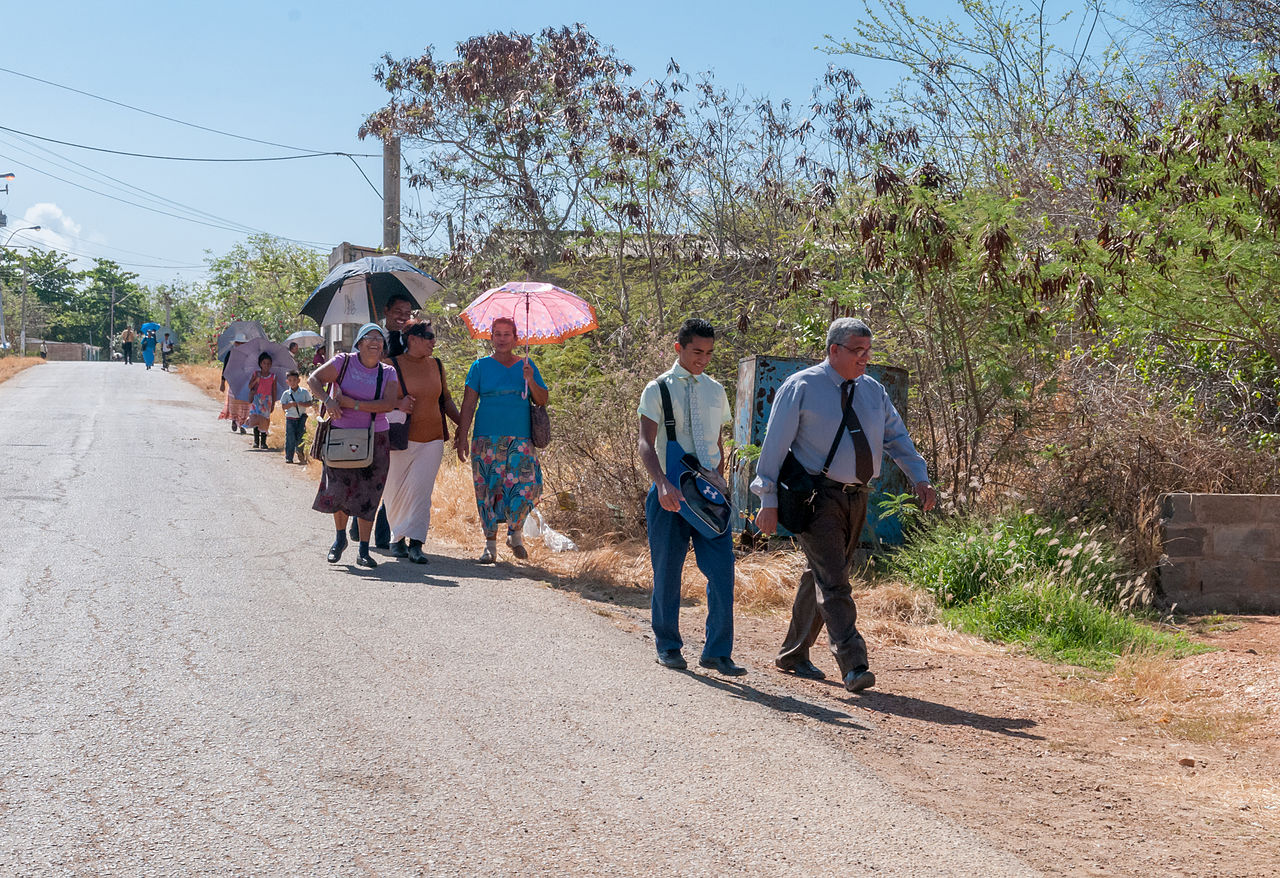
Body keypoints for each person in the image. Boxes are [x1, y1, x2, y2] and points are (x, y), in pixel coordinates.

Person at [752, 318, 937, 694]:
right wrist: (767, 499)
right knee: (835, 581)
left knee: (821, 575)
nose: (865, 358)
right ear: (834, 350)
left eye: (869, 351)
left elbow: (897, 438)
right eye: (858, 351)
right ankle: (854, 665)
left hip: (857, 497)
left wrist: (919, 477)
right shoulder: (801, 386)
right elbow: (774, 447)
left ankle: (793, 653)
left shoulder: (873, 392)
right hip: (816, 498)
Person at [637, 318, 745, 676]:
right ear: (678, 348)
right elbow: (645, 444)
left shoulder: (716, 390)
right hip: (669, 495)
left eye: (709, 352)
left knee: (722, 573)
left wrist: (723, 482)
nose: (703, 359)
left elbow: (716, 442)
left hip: (710, 496)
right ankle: (668, 646)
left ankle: (717, 652)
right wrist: (662, 484)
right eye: (697, 351)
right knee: (667, 572)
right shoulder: (658, 389)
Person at [308, 323, 410, 569]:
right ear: (359, 342)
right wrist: (329, 400)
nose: (375, 342)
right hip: (341, 434)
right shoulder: (343, 362)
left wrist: (351, 404)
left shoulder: (387, 372)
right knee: (338, 490)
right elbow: (313, 380)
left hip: (376, 437)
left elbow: (387, 405)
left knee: (369, 494)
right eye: (369, 337)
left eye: (379, 339)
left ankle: (364, 550)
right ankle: (340, 539)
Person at [453, 316, 548, 563]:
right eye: (498, 334)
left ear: (516, 338)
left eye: (507, 334)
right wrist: (462, 436)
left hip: (520, 439)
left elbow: (542, 399)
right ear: (491, 337)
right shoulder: (479, 367)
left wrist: (530, 380)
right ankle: (490, 544)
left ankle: (515, 533)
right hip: (486, 439)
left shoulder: (527, 366)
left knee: (527, 487)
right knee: (488, 491)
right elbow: (469, 404)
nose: (502, 339)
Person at [383, 319, 459, 564]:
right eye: (429, 336)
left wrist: (464, 426)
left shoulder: (436, 365)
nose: (433, 341)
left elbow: (446, 399)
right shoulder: (390, 366)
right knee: (394, 492)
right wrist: (398, 403)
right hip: (399, 440)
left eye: (433, 336)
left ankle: (416, 543)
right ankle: (397, 539)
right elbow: (378, 401)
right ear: (412, 339)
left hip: (432, 440)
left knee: (421, 492)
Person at [279, 369, 315, 464]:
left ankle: (300, 452)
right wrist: (290, 404)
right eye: (290, 380)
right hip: (290, 418)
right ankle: (289, 457)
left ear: (298, 380)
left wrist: (301, 404)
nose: (292, 382)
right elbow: (283, 406)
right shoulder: (286, 394)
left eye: (294, 380)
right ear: (287, 382)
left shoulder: (304, 392)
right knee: (290, 437)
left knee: (301, 436)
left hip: (301, 418)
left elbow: (310, 402)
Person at [218, 334, 251, 434]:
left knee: (244, 403)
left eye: (242, 343)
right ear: (235, 343)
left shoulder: (248, 355)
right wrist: (222, 382)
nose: (240, 345)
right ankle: (234, 420)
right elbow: (225, 368)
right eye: (239, 343)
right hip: (233, 381)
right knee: (234, 402)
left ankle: (241, 423)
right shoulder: (230, 354)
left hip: (245, 381)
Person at [245, 352, 278, 450]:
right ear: (260, 364)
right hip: (256, 400)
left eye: (268, 364)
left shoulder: (273, 376)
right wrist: (256, 380)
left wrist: (273, 404)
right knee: (255, 419)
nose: (266, 365)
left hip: (267, 401)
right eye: (264, 363)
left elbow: (274, 391)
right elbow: (249, 386)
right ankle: (256, 441)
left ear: (271, 365)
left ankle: (263, 442)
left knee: (264, 420)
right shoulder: (256, 374)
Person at [383, 293, 414, 358]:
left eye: (407, 313)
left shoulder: (411, 340)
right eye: (398, 312)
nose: (403, 317)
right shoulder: (374, 339)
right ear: (386, 311)